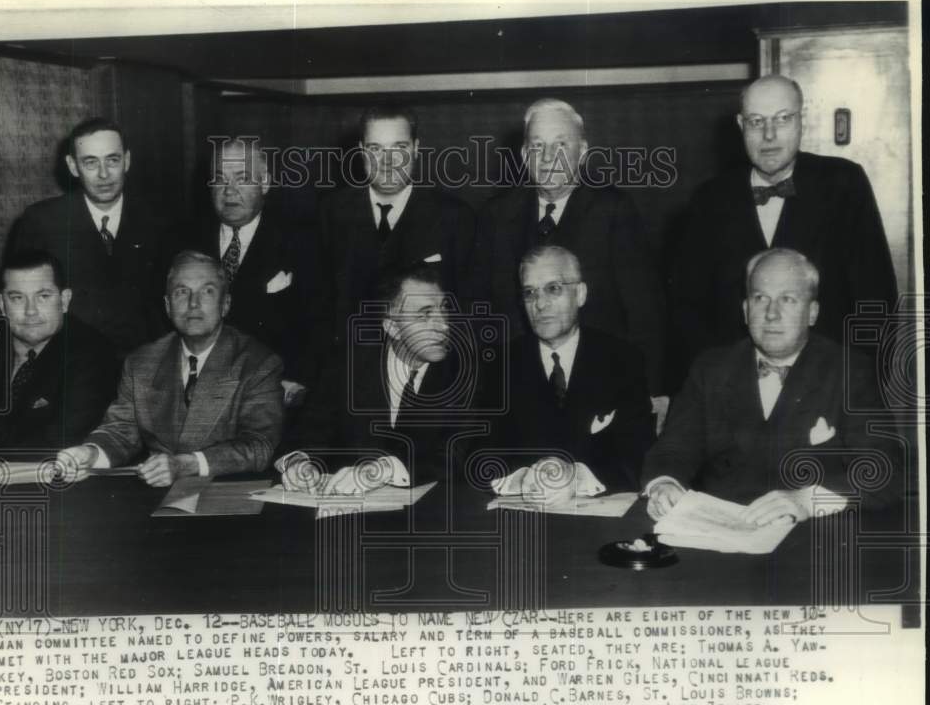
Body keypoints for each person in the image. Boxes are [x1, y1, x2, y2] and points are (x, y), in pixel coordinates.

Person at [644, 248, 900, 526]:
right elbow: (673, 450)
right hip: (719, 539)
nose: (771, 314)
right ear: (745, 310)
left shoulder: (851, 371)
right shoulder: (710, 369)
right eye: (760, 298)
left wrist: (808, 499)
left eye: (787, 299)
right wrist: (664, 484)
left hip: (811, 542)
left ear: (812, 312)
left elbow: (884, 471)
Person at [670, 75, 898, 384]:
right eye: (756, 121)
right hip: (737, 390)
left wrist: (860, 385)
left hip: (827, 383)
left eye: (782, 119)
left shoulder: (844, 183)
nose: (769, 135)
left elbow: (876, 299)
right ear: (740, 125)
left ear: (802, 120)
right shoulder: (709, 200)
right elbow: (689, 312)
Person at [472, 98, 668, 412]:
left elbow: (646, 314)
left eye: (561, 145)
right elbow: (479, 313)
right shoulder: (494, 217)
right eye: (537, 146)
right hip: (516, 395)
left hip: (601, 389)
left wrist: (653, 391)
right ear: (524, 155)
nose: (548, 157)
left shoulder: (613, 211)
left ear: (583, 151)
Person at [57, 251, 283, 487]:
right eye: (182, 292)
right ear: (167, 306)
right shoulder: (141, 362)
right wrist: (90, 453)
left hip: (226, 497)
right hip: (154, 497)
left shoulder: (258, 363)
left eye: (207, 291)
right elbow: (121, 431)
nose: (193, 303)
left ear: (225, 304)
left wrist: (187, 465)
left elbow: (259, 445)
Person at [276, 263, 478, 492]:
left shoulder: (466, 371)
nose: (444, 325)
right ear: (392, 327)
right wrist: (298, 463)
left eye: (444, 309)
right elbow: (307, 432)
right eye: (425, 315)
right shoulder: (348, 367)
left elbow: (456, 456)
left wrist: (384, 470)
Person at [484, 244, 655, 503]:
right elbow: (478, 454)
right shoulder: (499, 364)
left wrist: (577, 479)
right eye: (530, 293)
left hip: (593, 521)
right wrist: (521, 478)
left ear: (581, 294)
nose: (540, 304)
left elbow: (639, 456)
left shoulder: (622, 359)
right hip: (520, 517)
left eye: (554, 289)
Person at [0, 250, 118, 480]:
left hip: (60, 493)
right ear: (1, 304)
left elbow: (61, 440)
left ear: (64, 301)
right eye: (17, 298)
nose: (31, 311)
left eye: (43, 296)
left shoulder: (93, 351)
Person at [184, 136, 325, 403]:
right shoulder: (183, 240)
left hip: (271, 394)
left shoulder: (301, 243)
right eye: (220, 178)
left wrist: (296, 381)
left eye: (242, 177)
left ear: (265, 182)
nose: (229, 190)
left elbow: (318, 324)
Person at [9, 117, 165, 354]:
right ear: (73, 166)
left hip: (146, 365)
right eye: (90, 163)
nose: (104, 174)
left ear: (127, 160)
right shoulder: (41, 221)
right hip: (70, 364)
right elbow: (24, 305)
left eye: (112, 160)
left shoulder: (159, 220)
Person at [320, 106, 475, 344]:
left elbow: (465, 311)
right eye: (376, 149)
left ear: (415, 149)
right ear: (361, 151)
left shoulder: (455, 217)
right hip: (346, 367)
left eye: (399, 148)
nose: (388, 161)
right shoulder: (330, 213)